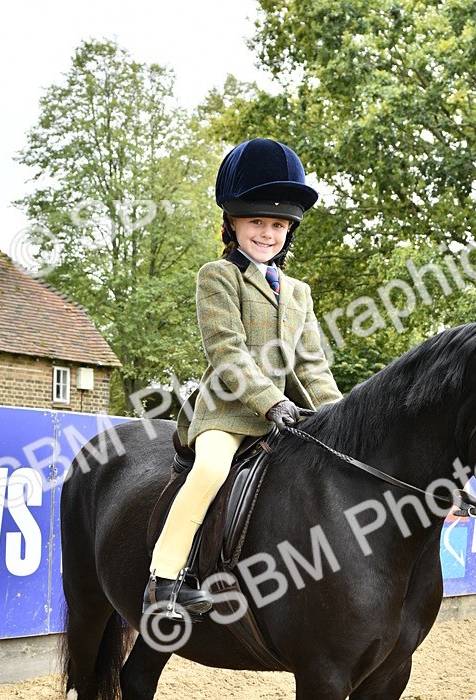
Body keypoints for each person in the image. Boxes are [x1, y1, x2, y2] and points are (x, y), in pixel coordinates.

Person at [144, 137, 342, 618]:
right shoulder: (218, 275)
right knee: (210, 470)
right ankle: (164, 579)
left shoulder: (298, 293)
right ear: (232, 223)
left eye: (278, 224)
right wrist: (270, 401)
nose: (267, 233)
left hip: (291, 415)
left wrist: (340, 415)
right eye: (257, 221)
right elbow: (226, 350)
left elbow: (312, 365)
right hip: (228, 413)